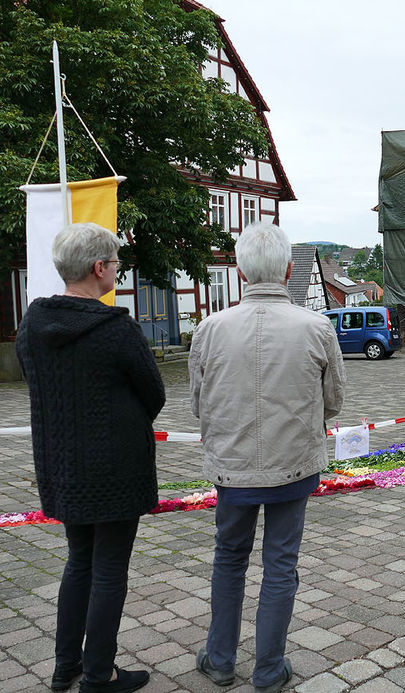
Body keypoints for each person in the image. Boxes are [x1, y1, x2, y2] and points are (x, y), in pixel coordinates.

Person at [189, 222, 345, 693]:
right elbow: (333, 400)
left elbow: (198, 404)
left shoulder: (209, 329)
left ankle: (219, 659)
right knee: (281, 564)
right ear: (289, 271)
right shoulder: (317, 327)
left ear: (238, 271)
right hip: (292, 464)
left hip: (231, 468)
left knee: (229, 559)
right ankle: (269, 668)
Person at [16, 223, 164, 693]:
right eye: (116, 263)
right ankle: (100, 675)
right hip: (115, 470)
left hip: (62, 465)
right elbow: (153, 393)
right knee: (108, 570)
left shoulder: (32, 326)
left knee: (79, 560)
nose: (117, 270)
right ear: (99, 268)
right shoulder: (116, 328)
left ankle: (67, 666)